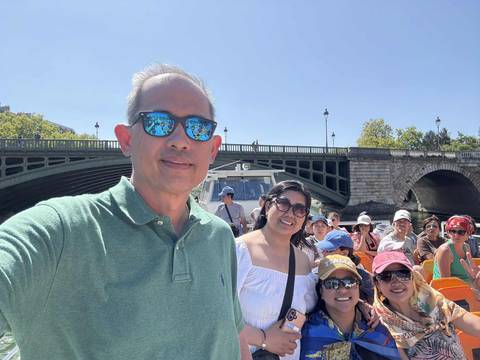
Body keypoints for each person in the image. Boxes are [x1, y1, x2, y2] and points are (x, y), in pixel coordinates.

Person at [0, 64, 248, 359]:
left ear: (213, 148)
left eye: (198, 128)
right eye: (159, 123)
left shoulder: (219, 236)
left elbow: (234, 338)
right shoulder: (61, 230)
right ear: (126, 140)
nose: (181, 140)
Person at [236, 180, 317, 360]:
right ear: (266, 206)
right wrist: (264, 339)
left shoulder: (303, 261)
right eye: (283, 204)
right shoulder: (240, 251)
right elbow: (215, 316)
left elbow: (314, 306)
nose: (290, 214)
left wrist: (361, 306)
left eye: (299, 209)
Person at [372, 251, 480, 360]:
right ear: (377, 284)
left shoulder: (436, 303)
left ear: (412, 278)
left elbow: (475, 325)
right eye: (386, 276)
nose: (396, 282)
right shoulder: (381, 324)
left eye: (403, 274)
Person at [301, 255, 400, 360]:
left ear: (358, 287)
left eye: (350, 282)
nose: (343, 290)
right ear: (321, 291)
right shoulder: (305, 334)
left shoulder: (377, 327)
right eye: (332, 284)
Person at [317, 230, 374, 304]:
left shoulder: (363, 277)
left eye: (329, 250)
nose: (323, 253)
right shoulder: (317, 273)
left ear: (344, 253)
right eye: (323, 250)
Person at [433, 215, 475, 283]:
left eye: (461, 232)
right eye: (453, 231)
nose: (456, 235)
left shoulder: (467, 247)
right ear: (448, 232)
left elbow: (470, 274)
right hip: (449, 288)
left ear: (468, 234)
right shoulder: (445, 251)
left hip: (466, 285)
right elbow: (446, 281)